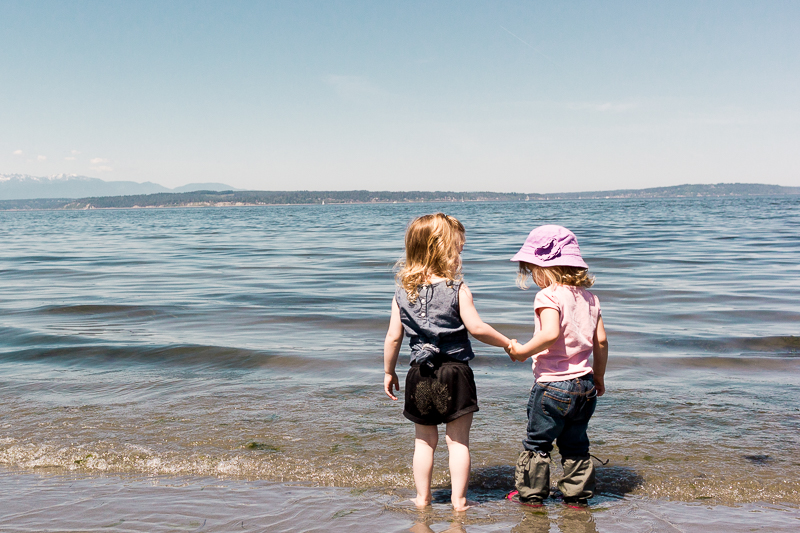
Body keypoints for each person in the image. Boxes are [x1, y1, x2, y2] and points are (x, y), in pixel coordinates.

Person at [383, 213, 511, 512]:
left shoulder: (402, 293)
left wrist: (389, 371)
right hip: (455, 372)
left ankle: (423, 498)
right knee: (458, 442)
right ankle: (459, 501)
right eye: (459, 245)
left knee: (424, 442)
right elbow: (477, 328)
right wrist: (508, 343)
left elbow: (392, 338)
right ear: (446, 249)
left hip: (419, 372)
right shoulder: (456, 288)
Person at [505, 225, 608, 507]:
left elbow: (549, 334)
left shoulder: (548, 295)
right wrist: (598, 375)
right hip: (584, 386)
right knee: (576, 445)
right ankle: (576, 497)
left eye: (532, 269)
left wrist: (522, 351)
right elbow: (601, 341)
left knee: (538, 444)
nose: (533, 277)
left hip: (552, 386)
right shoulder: (591, 299)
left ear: (545, 268)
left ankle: (532, 495)